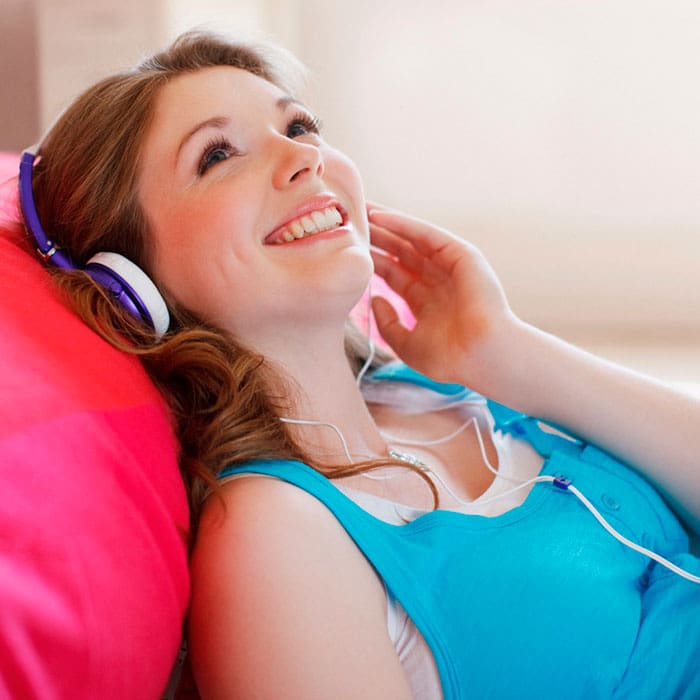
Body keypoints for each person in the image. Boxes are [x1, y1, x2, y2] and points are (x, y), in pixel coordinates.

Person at [21, 30, 700, 699]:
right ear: (130, 283)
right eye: (218, 154)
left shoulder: (439, 390)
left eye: (299, 125)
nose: (304, 157)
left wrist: (504, 349)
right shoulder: (276, 537)